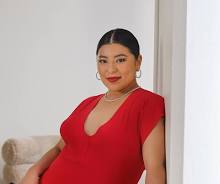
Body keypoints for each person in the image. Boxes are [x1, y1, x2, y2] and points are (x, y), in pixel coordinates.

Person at [20, 28, 166, 184]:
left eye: (120, 60)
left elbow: (155, 170)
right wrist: (33, 171)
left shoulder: (148, 104)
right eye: (103, 61)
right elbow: (59, 148)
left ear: (138, 62)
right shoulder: (87, 103)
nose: (111, 69)